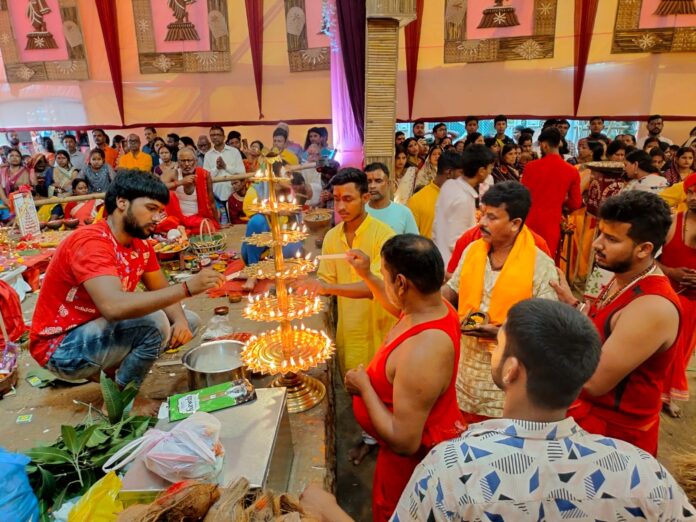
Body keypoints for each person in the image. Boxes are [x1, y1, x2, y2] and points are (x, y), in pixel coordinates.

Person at [300, 298, 696, 521]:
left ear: (511, 370)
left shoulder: (455, 466)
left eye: (500, 340)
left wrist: (330, 510)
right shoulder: (641, 471)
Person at [29, 171, 224, 399]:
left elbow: (161, 291)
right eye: (151, 209)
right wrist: (187, 288)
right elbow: (113, 308)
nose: (157, 218)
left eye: (160, 211)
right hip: (61, 347)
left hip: (98, 333)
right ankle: (121, 399)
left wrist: (179, 321)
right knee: (155, 323)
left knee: (188, 322)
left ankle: (113, 370)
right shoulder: (92, 242)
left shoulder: (140, 245)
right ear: (121, 202)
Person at [342, 235, 464, 521]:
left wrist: (364, 387)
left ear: (401, 283)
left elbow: (405, 441)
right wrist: (368, 275)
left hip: (412, 471)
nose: (384, 283)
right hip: (398, 461)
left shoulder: (425, 350)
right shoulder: (431, 307)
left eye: (385, 276)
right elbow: (399, 309)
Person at [552, 191, 681, 456]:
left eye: (611, 239)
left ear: (644, 249)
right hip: (592, 423)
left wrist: (535, 348)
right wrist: (574, 305)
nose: (597, 244)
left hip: (616, 440)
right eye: (600, 233)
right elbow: (605, 328)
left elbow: (595, 382)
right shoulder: (624, 276)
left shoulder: (652, 307)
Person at [443, 181, 558, 421]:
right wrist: (428, 296)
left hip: (508, 382)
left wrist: (500, 333)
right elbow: (452, 290)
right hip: (466, 376)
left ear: (515, 224)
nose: (482, 223)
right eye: (482, 214)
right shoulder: (473, 250)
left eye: (492, 217)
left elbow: (546, 327)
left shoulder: (540, 264)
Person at [294, 168, 395, 374]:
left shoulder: (384, 236)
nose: (340, 207)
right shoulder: (332, 237)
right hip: (349, 333)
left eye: (348, 199)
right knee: (353, 391)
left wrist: (326, 286)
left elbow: (373, 289)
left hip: (379, 332)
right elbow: (325, 280)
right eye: (336, 199)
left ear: (365, 198)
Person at [659, 173, 696, 418]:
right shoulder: (671, 223)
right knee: (664, 350)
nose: (693, 198)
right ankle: (658, 393)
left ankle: (668, 394)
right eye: (690, 192)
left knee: (684, 351)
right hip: (667, 298)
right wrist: (670, 271)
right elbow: (646, 258)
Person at [522, 127, 583, 258]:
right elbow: (576, 203)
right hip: (552, 223)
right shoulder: (571, 171)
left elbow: (522, 196)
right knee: (547, 261)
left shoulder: (530, 167)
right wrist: (562, 201)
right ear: (559, 143)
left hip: (528, 221)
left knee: (526, 258)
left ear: (544, 145)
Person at [433, 144, 494, 266]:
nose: (490, 173)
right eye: (489, 169)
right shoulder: (463, 198)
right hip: (452, 266)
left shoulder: (449, 185)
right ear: (481, 171)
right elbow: (456, 242)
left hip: (439, 258)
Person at [157, 147, 219, 233]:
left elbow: (211, 202)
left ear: (196, 161)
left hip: (197, 218)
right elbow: (157, 188)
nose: (186, 164)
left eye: (189, 160)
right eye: (183, 161)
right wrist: (180, 182)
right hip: (177, 220)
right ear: (178, 162)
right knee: (170, 195)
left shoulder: (204, 174)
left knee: (207, 226)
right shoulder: (173, 173)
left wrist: (217, 223)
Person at [406, 150, 460, 239]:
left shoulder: (460, 198)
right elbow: (411, 241)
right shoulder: (417, 201)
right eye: (461, 173)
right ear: (449, 172)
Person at [364, 163, 418, 235]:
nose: (372, 186)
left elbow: (413, 244)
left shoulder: (404, 213)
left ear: (388, 183)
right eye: (368, 182)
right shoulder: (359, 212)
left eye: (378, 181)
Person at [203, 125, 245, 209]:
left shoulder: (234, 152)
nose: (215, 137)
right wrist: (217, 168)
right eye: (212, 135)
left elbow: (242, 172)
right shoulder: (208, 155)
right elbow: (205, 176)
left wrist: (225, 167)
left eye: (218, 135)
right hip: (216, 197)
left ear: (224, 137)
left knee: (235, 221)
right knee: (220, 222)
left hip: (234, 194)